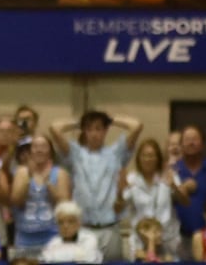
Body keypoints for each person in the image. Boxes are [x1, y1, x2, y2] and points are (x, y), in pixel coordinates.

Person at [50, 109, 141, 254]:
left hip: (110, 228)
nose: (94, 133)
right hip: (83, 229)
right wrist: (79, 122)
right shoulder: (75, 154)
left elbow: (136, 125)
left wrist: (110, 119)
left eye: (98, 128)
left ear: (105, 131)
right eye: (89, 129)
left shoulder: (115, 153)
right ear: (84, 131)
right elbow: (54, 128)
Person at [119, 139, 182, 259]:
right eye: (144, 155)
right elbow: (118, 208)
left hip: (166, 238)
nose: (147, 159)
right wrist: (119, 191)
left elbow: (185, 201)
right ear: (139, 158)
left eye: (151, 155)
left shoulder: (168, 175)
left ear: (158, 158)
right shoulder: (132, 179)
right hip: (140, 240)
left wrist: (173, 185)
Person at [12, 136, 72, 260]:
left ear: (50, 151)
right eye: (35, 147)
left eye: (43, 147)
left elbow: (65, 207)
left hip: (53, 238)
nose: (39, 150)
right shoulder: (22, 172)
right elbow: (16, 201)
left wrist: (49, 183)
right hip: (25, 239)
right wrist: (30, 177)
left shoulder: (60, 173)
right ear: (30, 151)